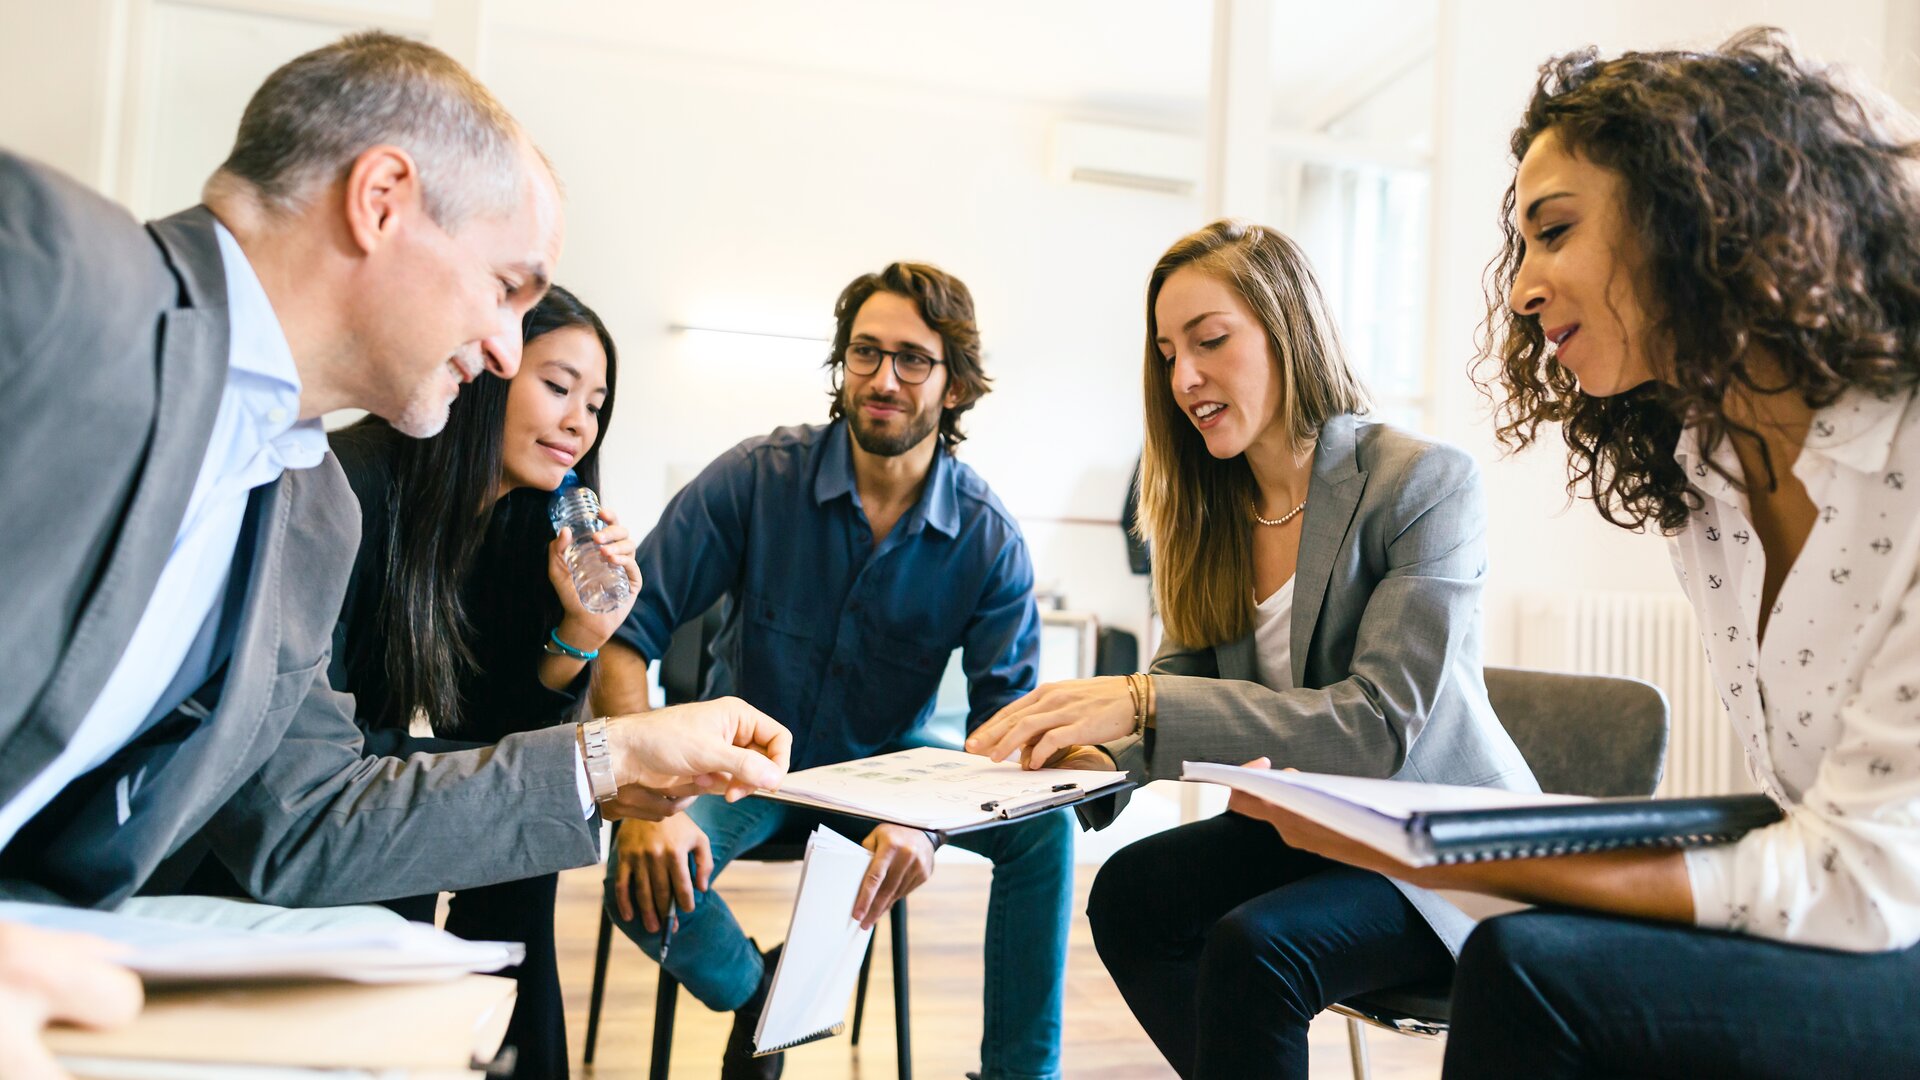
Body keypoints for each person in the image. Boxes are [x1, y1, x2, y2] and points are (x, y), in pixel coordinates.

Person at [1209, 30, 1920, 1078]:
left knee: (1532, 971)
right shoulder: (1705, 477)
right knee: (1514, 955)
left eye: (1555, 230)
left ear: (1699, 210)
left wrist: (1426, 849)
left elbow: (1864, 884)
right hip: (1850, 889)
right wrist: (1419, 839)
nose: (1522, 289)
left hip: (1885, 911)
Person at [0, 30, 786, 940]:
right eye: (505, 287)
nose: (505, 351)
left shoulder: (313, 514)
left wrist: (608, 759)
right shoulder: (48, 268)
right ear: (380, 201)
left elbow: (306, 821)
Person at [967, 220, 1537, 1079]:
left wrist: (1140, 703)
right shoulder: (1210, 506)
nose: (1183, 377)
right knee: (1130, 898)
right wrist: (1092, 757)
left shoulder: (1423, 482)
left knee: (1255, 949)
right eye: (1167, 353)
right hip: (1311, 829)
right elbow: (1185, 676)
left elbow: (1374, 728)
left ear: (1287, 330)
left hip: (1440, 848)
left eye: (1210, 341)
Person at [591, 263, 1069, 1080]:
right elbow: (625, 634)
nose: (883, 379)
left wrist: (927, 821)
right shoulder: (756, 476)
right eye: (865, 352)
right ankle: (765, 999)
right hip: (740, 768)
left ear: (954, 386)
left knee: (1044, 829)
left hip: (887, 774)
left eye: (912, 360)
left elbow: (1008, 732)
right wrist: (646, 799)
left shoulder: (988, 539)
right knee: (642, 878)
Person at [320, 284, 631, 1077]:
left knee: (529, 839)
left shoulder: (521, 523)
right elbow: (321, 752)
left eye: (596, 405)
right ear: (487, 370)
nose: (579, 423)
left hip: (374, 785)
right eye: (558, 386)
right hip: (299, 814)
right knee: (495, 819)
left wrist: (582, 631)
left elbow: (503, 728)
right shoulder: (353, 483)